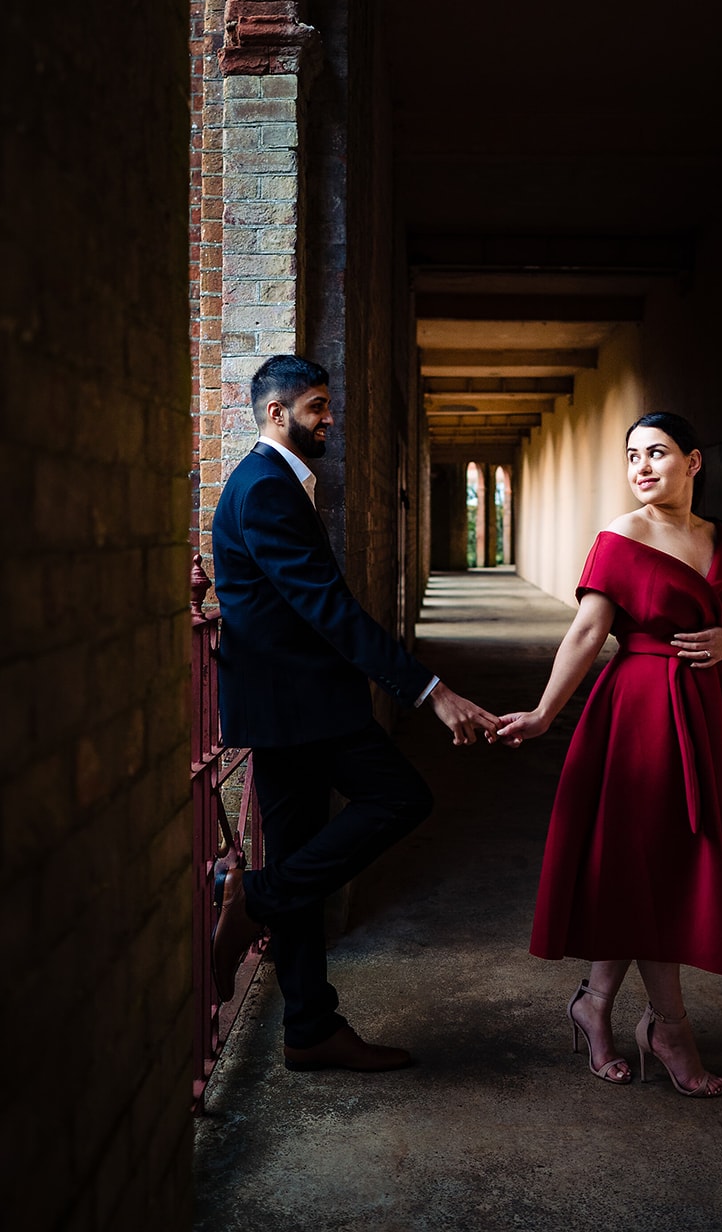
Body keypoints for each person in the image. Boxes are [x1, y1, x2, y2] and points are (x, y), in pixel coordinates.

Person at [210, 354, 510, 1072]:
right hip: (301, 705)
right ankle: (256, 897)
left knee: (302, 861)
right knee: (401, 796)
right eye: (316, 407)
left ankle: (310, 1027)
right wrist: (429, 690)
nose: (329, 419)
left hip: (292, 705)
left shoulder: (275, 484)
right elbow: (327, 610)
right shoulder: (264, 490)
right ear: (277, 413)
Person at [497, 411, 722, 1096]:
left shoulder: (717, 538)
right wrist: (541, 714)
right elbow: (587, 633)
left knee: (649, 866)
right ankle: (668, 1026)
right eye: (631, 456)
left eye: (656, 453)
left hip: (710, 713)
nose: (642, 466)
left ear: (694, 461)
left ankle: (595, 1004)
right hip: (640, 715)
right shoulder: (619, 539)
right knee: (654, 863)